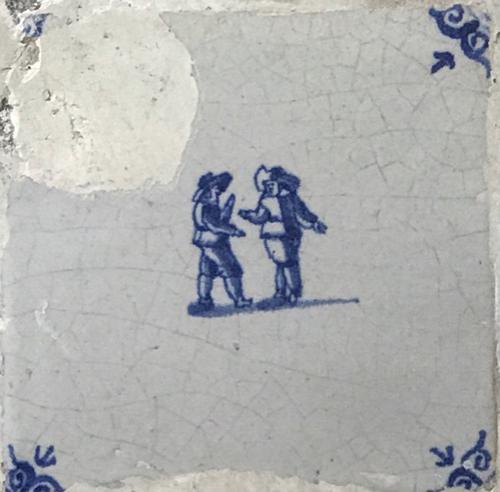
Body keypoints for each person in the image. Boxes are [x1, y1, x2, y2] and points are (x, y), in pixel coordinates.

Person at [239, 166, 327, 305]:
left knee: (288, 263)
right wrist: (249, 215)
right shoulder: (266, 200)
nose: (269, 188)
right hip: (273, 236)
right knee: (282, 263)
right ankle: (283, 292)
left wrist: (313, 223)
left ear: (280, 184)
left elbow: (301, 214)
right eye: (267, 185)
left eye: (271, 184)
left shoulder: (291, 198)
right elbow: (260, 217)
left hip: (290, 235)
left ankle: (292, 292)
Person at [192, 171, 252, 310]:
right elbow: (214, 225)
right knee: (232, 269)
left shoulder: (203, 203)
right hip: (215, 242)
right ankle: (239, 299)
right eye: (217, 188)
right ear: (210, 188)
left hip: (206, 241)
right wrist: (233, 231)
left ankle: (204, 300)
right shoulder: (208, 205)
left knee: (207, 271)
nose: (220, 191)